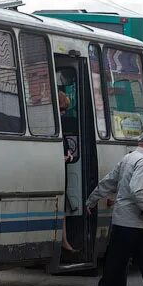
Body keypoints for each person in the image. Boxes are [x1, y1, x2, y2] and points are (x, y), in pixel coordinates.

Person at [85, 130, 143, 286]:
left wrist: (91, 200)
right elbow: (138, 190)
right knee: (122, 260)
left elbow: (109, 181)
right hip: (132, 220)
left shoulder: (128, 158)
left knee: (141, 258)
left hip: (125, 219)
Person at [60, 90, 80, 253]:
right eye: (60, 110)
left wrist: (69, 156)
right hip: (57, 170)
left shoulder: (61, 130)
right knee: (60, 207)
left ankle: (64, 240)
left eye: (65, 110)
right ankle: (64, 241)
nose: (63, 114)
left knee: (62, 208)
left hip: (63, 169)